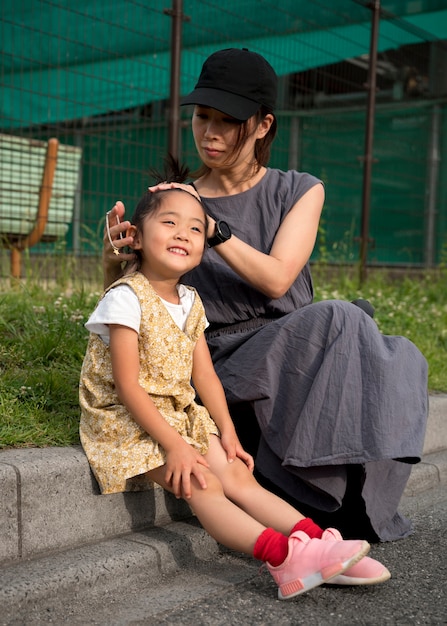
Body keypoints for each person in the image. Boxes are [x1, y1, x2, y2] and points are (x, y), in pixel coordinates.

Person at [102, 48, 429, 544]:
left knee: (395, 351)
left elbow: (278, 280)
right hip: (215, 357)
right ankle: (320, 511)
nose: (209, 132)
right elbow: (132, 304)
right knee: (341, 319)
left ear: (262, 125)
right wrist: (112, 260)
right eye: (202, 117)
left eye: (228, 121)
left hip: (293, 345)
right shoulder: (175, 202)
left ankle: (345, 505)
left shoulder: (299, 189)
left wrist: (212, 229)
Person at [79, 158, 389, 601]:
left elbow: (203, 373)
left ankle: (321, 544)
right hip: (127, 418)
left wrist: (226, 433)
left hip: (176, 409)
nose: (183, 234)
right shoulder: (126, 298)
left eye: (194, 228)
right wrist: (176, 445)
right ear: (138, 238)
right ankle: (284, 558)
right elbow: (128, 387)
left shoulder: (189, 299)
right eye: (168, 222)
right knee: (203, 484)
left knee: (240, 477)